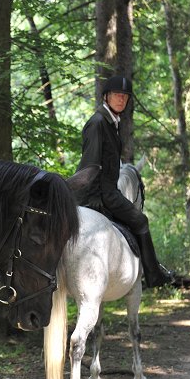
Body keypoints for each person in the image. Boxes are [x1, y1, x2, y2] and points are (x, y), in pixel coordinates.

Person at [76, 75, 174, 288]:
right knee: (140, 221)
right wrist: (92, 201)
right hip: (101, 195)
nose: (121, 100)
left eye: (125, 97)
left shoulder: (111, 122)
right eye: (116, 95)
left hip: (108, 192)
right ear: (106, 97)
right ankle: (154, 276)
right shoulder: (97, 123)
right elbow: (90, 165)